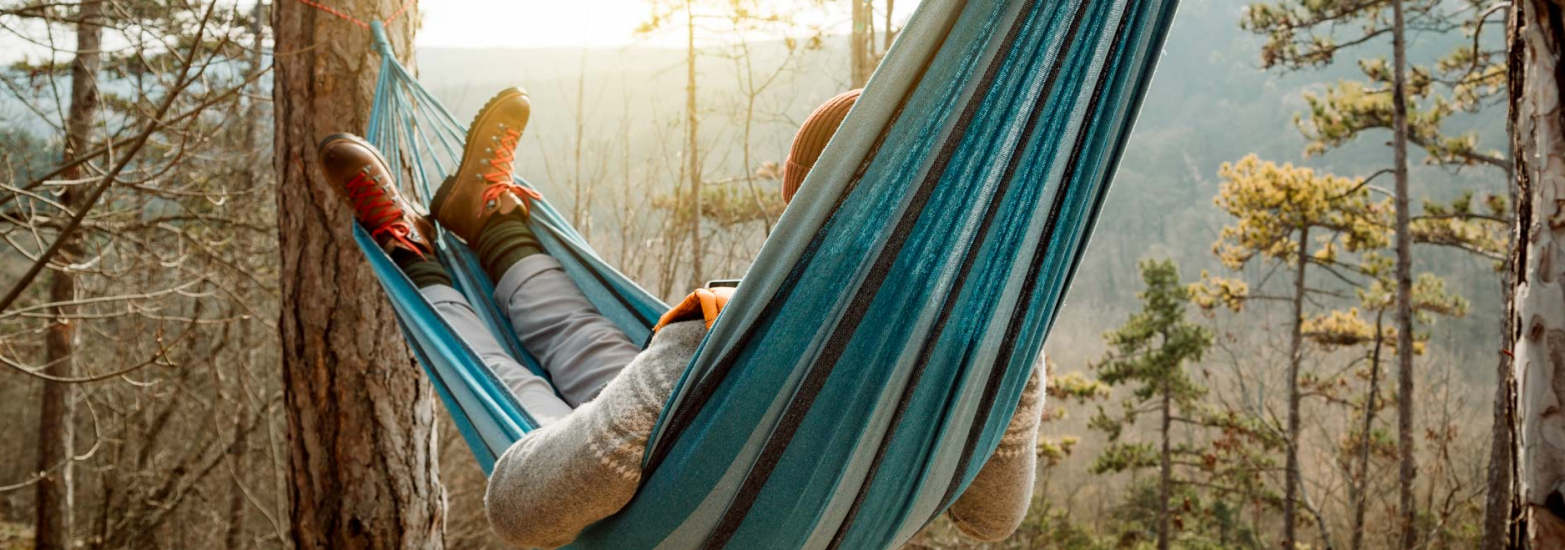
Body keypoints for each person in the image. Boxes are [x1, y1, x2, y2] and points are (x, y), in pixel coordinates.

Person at [318, 87, 1044, 548]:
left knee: (519, 397)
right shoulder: (986, 354)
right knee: (598, 347)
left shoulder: (730, 332)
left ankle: (414, 254)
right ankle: (489, 224)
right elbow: (990, 518)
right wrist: (1021, 372)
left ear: (802, 207)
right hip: (711, 451)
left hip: (649, 516)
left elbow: (519, 509)